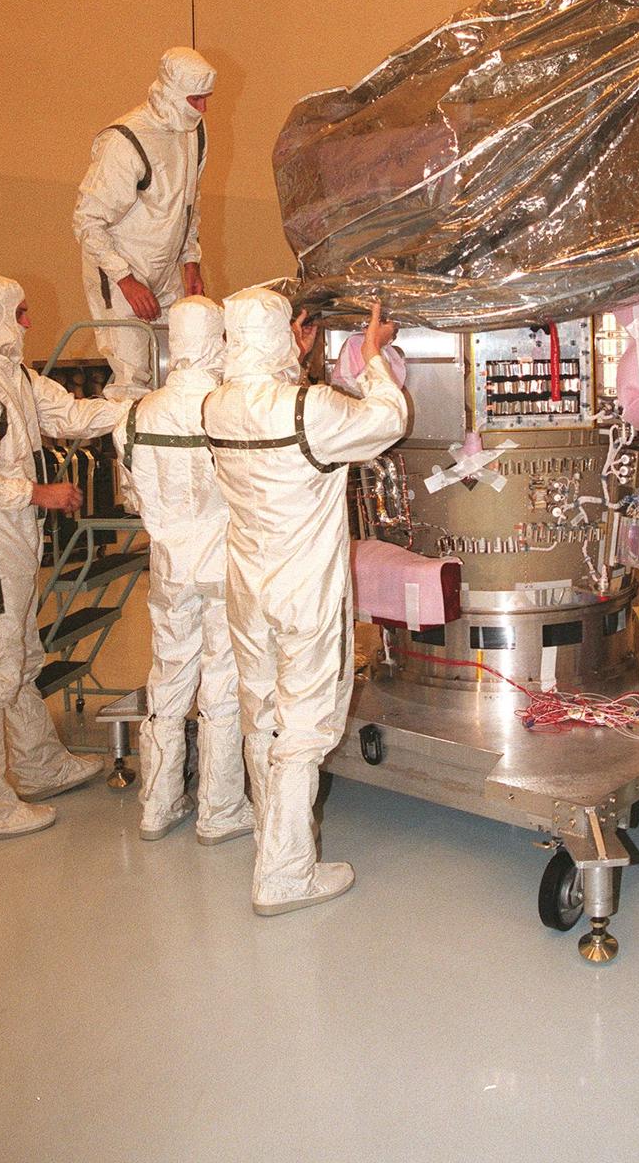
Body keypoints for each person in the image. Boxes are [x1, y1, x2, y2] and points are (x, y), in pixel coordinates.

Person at [203, 288, 408, 915]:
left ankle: (273, 840)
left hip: (247, 586)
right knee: (303, 724)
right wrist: (371, 353)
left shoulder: (215, 405)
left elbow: (264, 405)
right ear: (282, 336)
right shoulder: (307, 409)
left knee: (261, 714)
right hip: (304, 590)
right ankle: (285, 874)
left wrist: (293, 354)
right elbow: (388, 420)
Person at [0, 275, 127, 844]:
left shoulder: (8, 375)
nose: (28, 323)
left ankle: (39, 765)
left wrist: (143, 408)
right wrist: (38, 493)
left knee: (19, 657)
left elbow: (69, 416)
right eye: (20, 313)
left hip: (6, 543)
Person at [112, 297, 254, 844]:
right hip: (222, 567)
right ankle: (220, 810)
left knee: (167, 682)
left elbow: (134, 495)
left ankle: (158, 805)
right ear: (218, 341)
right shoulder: (228, 410)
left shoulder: (134, 415)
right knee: (222, 686)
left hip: (169, 567)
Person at [73, 47, 216, 400]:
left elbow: (189, 204)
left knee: (182, 366)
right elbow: (87, 220)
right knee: (132, 378)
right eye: (195, 99)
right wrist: (126, 281)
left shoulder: (194, 133)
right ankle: (129, 437)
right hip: (120, 272)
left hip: (166, 270)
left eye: (206, 98)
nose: (203, 109)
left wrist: (191, 262)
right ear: (172, 92)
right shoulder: (124, 142)